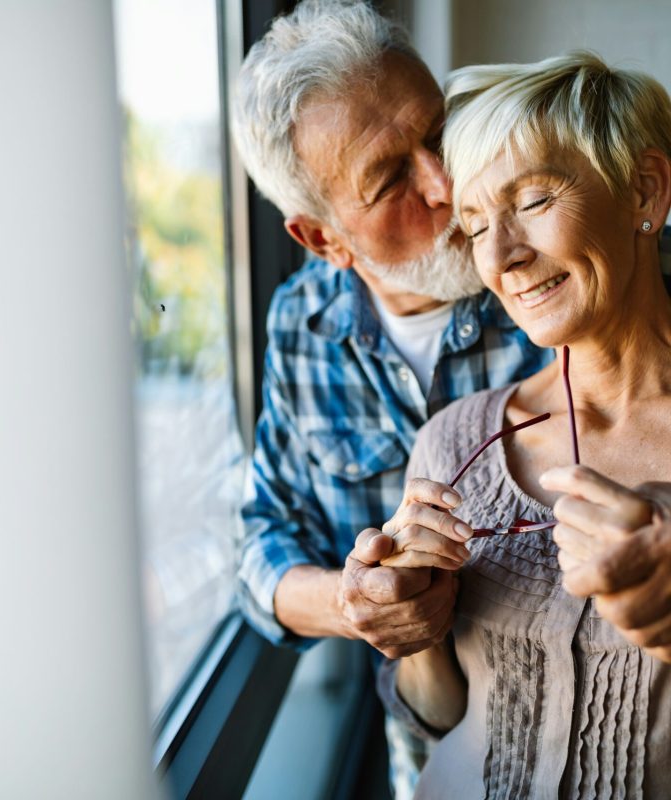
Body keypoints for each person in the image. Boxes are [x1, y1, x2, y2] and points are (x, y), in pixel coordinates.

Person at [229, 1, 555, 791]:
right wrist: (355, 602)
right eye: (389, 180)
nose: (446, 185)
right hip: (434, 763)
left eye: (436, 134)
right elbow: (261, 545)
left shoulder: (569, 263)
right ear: (323, 239)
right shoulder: (302, 328)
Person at [377, 52, 671, 798]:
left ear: (646, 188)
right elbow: (439, 715)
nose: (502, 257)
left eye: (534, 200)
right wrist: (415, 629)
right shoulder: (451, 443)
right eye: (475, 226)